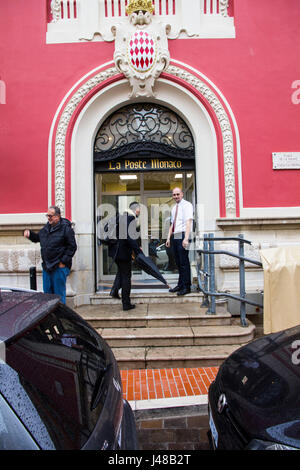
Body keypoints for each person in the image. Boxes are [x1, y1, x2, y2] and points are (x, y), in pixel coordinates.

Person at [24, 206, 77, 304]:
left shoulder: (66, 229)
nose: (48, 218)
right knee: (47, 295)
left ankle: (60, 317)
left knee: (59, 296)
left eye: (51, 216)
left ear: (58, 216)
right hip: (47, 267)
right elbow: (38, 238)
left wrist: (63, 262)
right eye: (47, 216)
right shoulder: (46, 228)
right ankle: (50, 317)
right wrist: (30, 234)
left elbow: (72, 247)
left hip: (59, 267)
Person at [108, 202, 141, 310]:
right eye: (139, 209)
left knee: (121, 272)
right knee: (126, 277)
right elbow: (129, 237)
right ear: (136, 209)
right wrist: (137, 251)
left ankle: (114, 290)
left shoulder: (121, 217)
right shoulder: (130, 218)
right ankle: (126, 303)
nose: (140, 211)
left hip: (115, 252)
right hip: (123, 253)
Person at [166, 188, 193, 295]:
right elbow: (172, 225)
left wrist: (186, 238)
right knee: (178, 262)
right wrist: (168, 238)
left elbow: (189, 222)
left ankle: (187, 287)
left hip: (183, 235)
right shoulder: (174, 208)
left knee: (184, 262)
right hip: (175, 236)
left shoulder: (187, 205)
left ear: (182, 194)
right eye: (174, 195)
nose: (176, 196)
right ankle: (180, 285)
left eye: (178, 194)